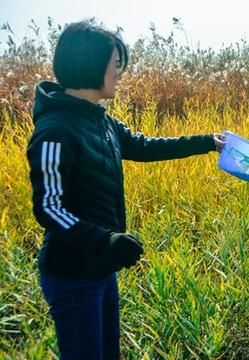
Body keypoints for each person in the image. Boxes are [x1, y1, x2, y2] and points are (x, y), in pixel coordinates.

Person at [26, 21, 225, 359]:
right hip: (73, 274)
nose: (120, 73)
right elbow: (49, 207)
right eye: (115, 64)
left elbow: (145, 147)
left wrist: (208, 142)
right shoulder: (54, 131)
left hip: (101, 268)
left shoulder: (99, 120)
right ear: (90, 64)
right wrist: (105, 239)